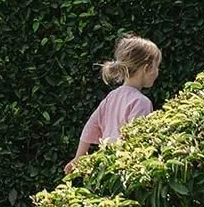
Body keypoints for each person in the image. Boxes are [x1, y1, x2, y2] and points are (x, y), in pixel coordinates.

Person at [64, 35, 162, 175]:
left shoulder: (111, 97)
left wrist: (79, 157)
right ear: (146, 69)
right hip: (126, 169)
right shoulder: (141, 102)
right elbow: (137, 139)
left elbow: (90, 127)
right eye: (156, 67)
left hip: (106, 168)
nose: (157, 72)